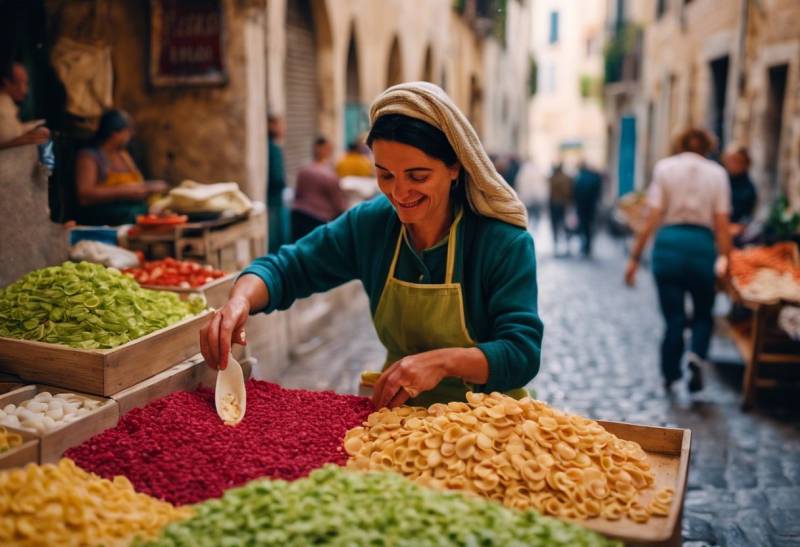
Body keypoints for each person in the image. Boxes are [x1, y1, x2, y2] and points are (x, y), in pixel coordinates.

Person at [200, 82, 543, 409]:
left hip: (492, 426)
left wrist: (443, 362)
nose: (399, 193)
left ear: (454, 167)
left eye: (418, 176)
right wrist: (239, 300)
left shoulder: (501, 241)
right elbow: (289, 268)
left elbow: (521, 353)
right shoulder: (373, 225)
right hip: (400, 420)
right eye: (385, 175)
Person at [625, 128, 732, 394]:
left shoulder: (665, 169)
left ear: (679, 143)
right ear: (708, 146)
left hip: (669, 245)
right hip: (701, 247)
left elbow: (653, 216)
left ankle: (670, 373)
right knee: (703, 312)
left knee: (673, 316)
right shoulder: (718, 174)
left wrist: (635, 258)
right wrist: (727, 259)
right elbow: (721, 223)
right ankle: (696, 354)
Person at [74, 109, 167, 226]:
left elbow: (138, 183)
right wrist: (124, 191)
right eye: (127, 132)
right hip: (105, 213)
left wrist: (150, 187)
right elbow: (84, 194)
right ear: (115, 134)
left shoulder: (123, 154)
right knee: (139, 215)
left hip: (131, 206)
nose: (130, 136)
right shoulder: (89, 156)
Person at [291, 136, 347, 241]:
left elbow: (298, 194)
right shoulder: (329, 175)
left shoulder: (303, 170)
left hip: (298, 216)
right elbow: (339, 204)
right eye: (329, 148)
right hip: (317, 221)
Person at [0, 61, 50, 151]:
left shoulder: (8, 104)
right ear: (7, 83)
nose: (26, 91)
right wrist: (28, 139)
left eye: (26, 83)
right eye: (22, 83)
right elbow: (5, 141)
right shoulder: (3, 107)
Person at [722, 147, 757, 236]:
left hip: (737, 232)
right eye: (729, 161)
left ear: (744, 163)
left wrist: (740, 226)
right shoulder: (721, 180)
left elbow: (748, 214)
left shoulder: (748, 187)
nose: (731, 164)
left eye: (736, 161)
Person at [267, 115, 289, 252]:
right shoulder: (272, 149)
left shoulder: (273, 146)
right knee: (275, 238)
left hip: (276, 199)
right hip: (273, 200)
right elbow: (277, 177)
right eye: (279, 124)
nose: (283, 129)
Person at [573, 161, 603, 257]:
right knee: (589, 225)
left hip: (581, 206)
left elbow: (575, 191)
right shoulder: (595, 177)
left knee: (583, 225)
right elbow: (598, 192)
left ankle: (583, 245)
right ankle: (588, 246)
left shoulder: (579, 177)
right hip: (591, 205)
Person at [548, 163, 573, 255]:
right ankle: (567, 244)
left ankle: (556, 244)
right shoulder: (567, 178)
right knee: (565, 225)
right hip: (563, 204)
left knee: (555, 225)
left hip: (553, 204)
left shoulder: (551, 178)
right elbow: (569, 192)